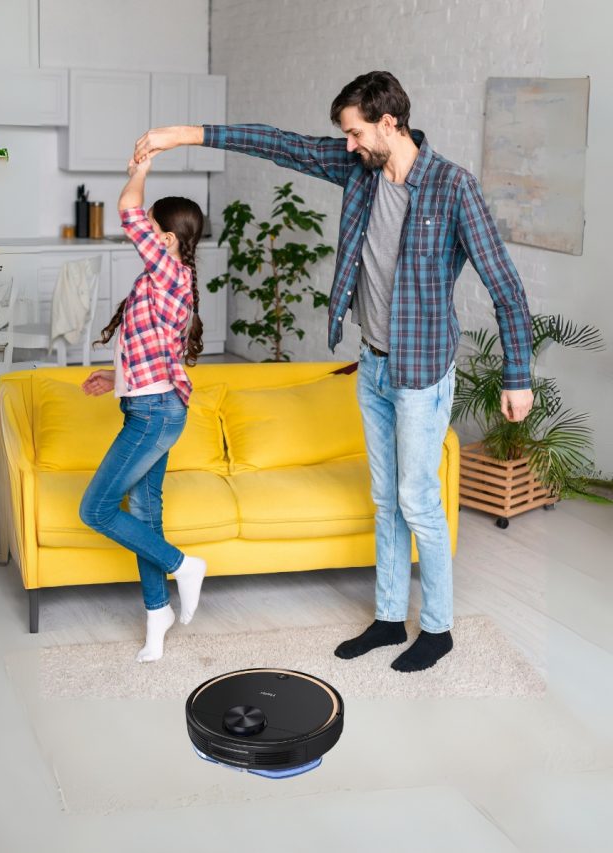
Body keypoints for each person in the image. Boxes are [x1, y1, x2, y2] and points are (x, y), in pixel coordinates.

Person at [134, 70, 534, 672]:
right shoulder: (361, 169)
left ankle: (439, 628)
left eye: (354, 133)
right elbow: (278, 143)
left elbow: (504, 285)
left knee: (418, 500)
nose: (347, 145)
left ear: (388, 123)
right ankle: (388, 617)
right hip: (372, 365)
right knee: (384, 499)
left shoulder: (454, 189)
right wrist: (185, 134)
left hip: (422, 371)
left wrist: (517, 375)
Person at [79, 154, 207, 663]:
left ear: (168, 240)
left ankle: (183, 565)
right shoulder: (169, 279)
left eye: (154, 229)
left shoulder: (169, 270)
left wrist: (142, 165)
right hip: (150, 402)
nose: (144, 234)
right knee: (145, 515)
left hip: (154, 413)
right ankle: (157, 615)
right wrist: (117, 376)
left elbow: (129, 208)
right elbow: (159, 349)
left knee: (96, 509)